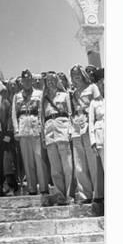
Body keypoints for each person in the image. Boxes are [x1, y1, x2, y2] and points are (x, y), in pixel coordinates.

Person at [12, 69, 47, 195]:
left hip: (36, 128)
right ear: (21, 82)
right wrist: (16, 130)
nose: (26, 82)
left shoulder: (39, 94)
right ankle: (31, 188)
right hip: (23, 130)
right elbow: (14, 115)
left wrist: (42, 128)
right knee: (27, 161)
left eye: (28, 80)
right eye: (24, 80)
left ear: (32, 80)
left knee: (39, 159)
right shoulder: (17, 96)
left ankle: (43, 187)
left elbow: (41, 112)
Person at [40, 71, 74, 205]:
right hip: (49, 132)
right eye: (48, 81)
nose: (51, 82)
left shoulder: (65, 96)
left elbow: (70, 113)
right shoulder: (44, 99)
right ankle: (60, 195)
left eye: (53, 80)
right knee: (55, 168)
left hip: (62, 129)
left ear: (57, 81)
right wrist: (43, 136)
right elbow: (41, 118)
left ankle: (69, 194)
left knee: (67, 165)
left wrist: (70, 130)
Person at [70, 64, 102, 203]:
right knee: (79, 163)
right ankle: (85, 195)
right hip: (77, 126)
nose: (76, 77)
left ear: (83, 74)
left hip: (89, 125)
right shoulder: (73, 93)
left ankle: (99, 194)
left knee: (93, 161)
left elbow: (99, 105)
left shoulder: (92, 88)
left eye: (78, 74)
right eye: (73, 75)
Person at [88, 68, 105, 204]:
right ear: (98, 84)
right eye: (101, 82)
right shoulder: (95, 102)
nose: (103, 84)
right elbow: (91, 122)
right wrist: (93, 141)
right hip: (101, 139)